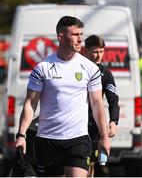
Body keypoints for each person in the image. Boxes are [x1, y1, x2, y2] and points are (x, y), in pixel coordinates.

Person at [15, 16, 110, 177]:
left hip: (78, 139)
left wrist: (104, 137)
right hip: (47, 140)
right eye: (75, 35)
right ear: (61, 37)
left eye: (81, 34)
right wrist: (21, 135)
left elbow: (97, 104)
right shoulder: (43, 68)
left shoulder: (90, 68)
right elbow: (30, 104)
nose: (80, 39)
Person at [85, 34, 120, 177]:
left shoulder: (105, 74)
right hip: (74, 123)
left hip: (93, 125)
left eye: (101, 51)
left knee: (91, 165)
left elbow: (113, 100)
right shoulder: (78, 69)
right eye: (95, 51)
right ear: (86, 51)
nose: (99, 55)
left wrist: (113, 121)